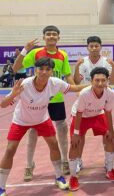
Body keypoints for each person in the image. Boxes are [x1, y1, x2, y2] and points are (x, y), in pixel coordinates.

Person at [0, 57, 87, 196]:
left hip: (42, 119)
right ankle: (1, 186)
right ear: (35, 70)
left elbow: (74, 88)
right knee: (10, 150)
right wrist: (13, 94)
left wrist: (93, 85)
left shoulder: (55, 83)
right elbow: (3, 104)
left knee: (54, 144)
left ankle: (59, 176)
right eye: (41, 69)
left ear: (52, 71)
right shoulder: (25, 84)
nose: (44, 72)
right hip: (21, 120)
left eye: (48, 69)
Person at [12, 25, 75, 180]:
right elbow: (16, 68)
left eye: (54, 34)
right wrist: (25, 50)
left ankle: (65, 161)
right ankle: (28, 165)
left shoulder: (63, 55)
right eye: (48, 34)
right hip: (37, 98)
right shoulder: (35, 53)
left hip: (56, 98)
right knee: (33, 132)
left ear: (58, 38)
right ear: (44, 37)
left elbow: (68, 76)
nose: (51, 37)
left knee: (62, 130)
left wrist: (77, 91)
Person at [68, 67, 114, 191]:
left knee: (109, 138)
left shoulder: (110, 93)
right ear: (91, 81)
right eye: (97, 80)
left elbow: (108, 111)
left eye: (103, 80)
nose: (100, 83)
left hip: (97, 115)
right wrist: (76, 134)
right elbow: (79, 113)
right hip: (80, 116)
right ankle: (73, 176)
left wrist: (111, 130)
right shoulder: (85, 93)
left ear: (107, 81)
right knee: (75, 143)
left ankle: (110, 168)